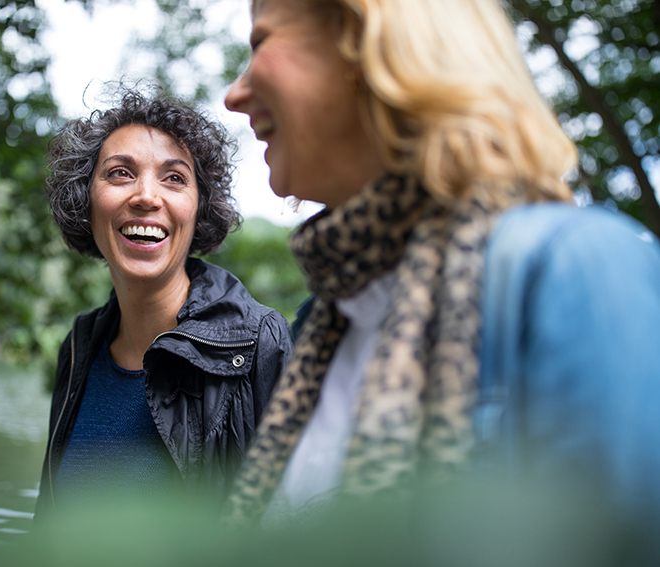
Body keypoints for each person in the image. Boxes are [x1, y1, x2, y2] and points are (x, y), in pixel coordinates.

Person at [222, 0, 660, 531]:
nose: (234, 94)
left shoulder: (574, 269)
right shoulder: (326, 323)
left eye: (261, 41)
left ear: (366, 40)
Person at [33, 89, 292, 520]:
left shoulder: (258, 345)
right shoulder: (79, 347)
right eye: (119, 174)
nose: (146, 196)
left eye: (174, 178)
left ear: (198, 209)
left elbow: (291, 535)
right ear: (86, 202)